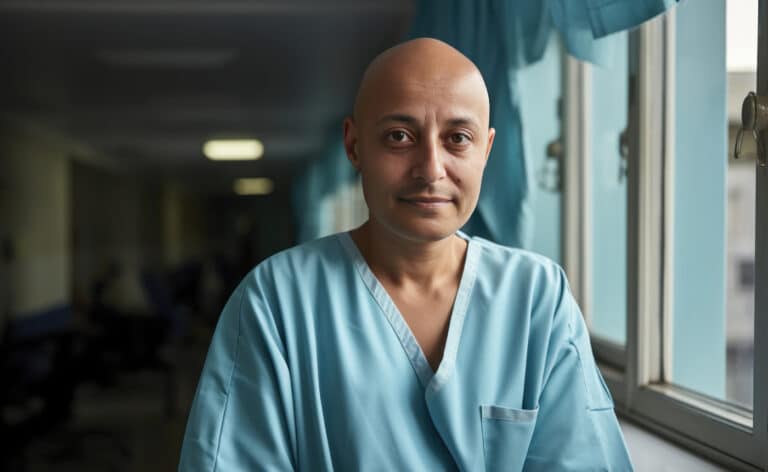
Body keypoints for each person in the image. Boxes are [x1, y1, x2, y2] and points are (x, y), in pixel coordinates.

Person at [179, 37, 633, 471]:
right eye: (399, 136)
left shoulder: (537, 298)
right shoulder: (276, 301)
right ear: (354, 146)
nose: (431, 169)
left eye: (457, 138)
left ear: (487, 150)